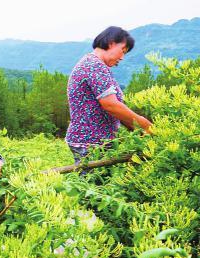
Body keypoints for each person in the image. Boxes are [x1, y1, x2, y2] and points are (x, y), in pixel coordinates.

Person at [65, 26, 153, 164]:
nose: (122, 57)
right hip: (91, 143)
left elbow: (115, 108)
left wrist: (135, 128)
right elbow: (111, 105)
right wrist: (145, 125)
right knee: (94, 184)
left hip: (96, 142)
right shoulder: (94, 65)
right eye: (122, 51)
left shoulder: (96, 65)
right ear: (111, 43)